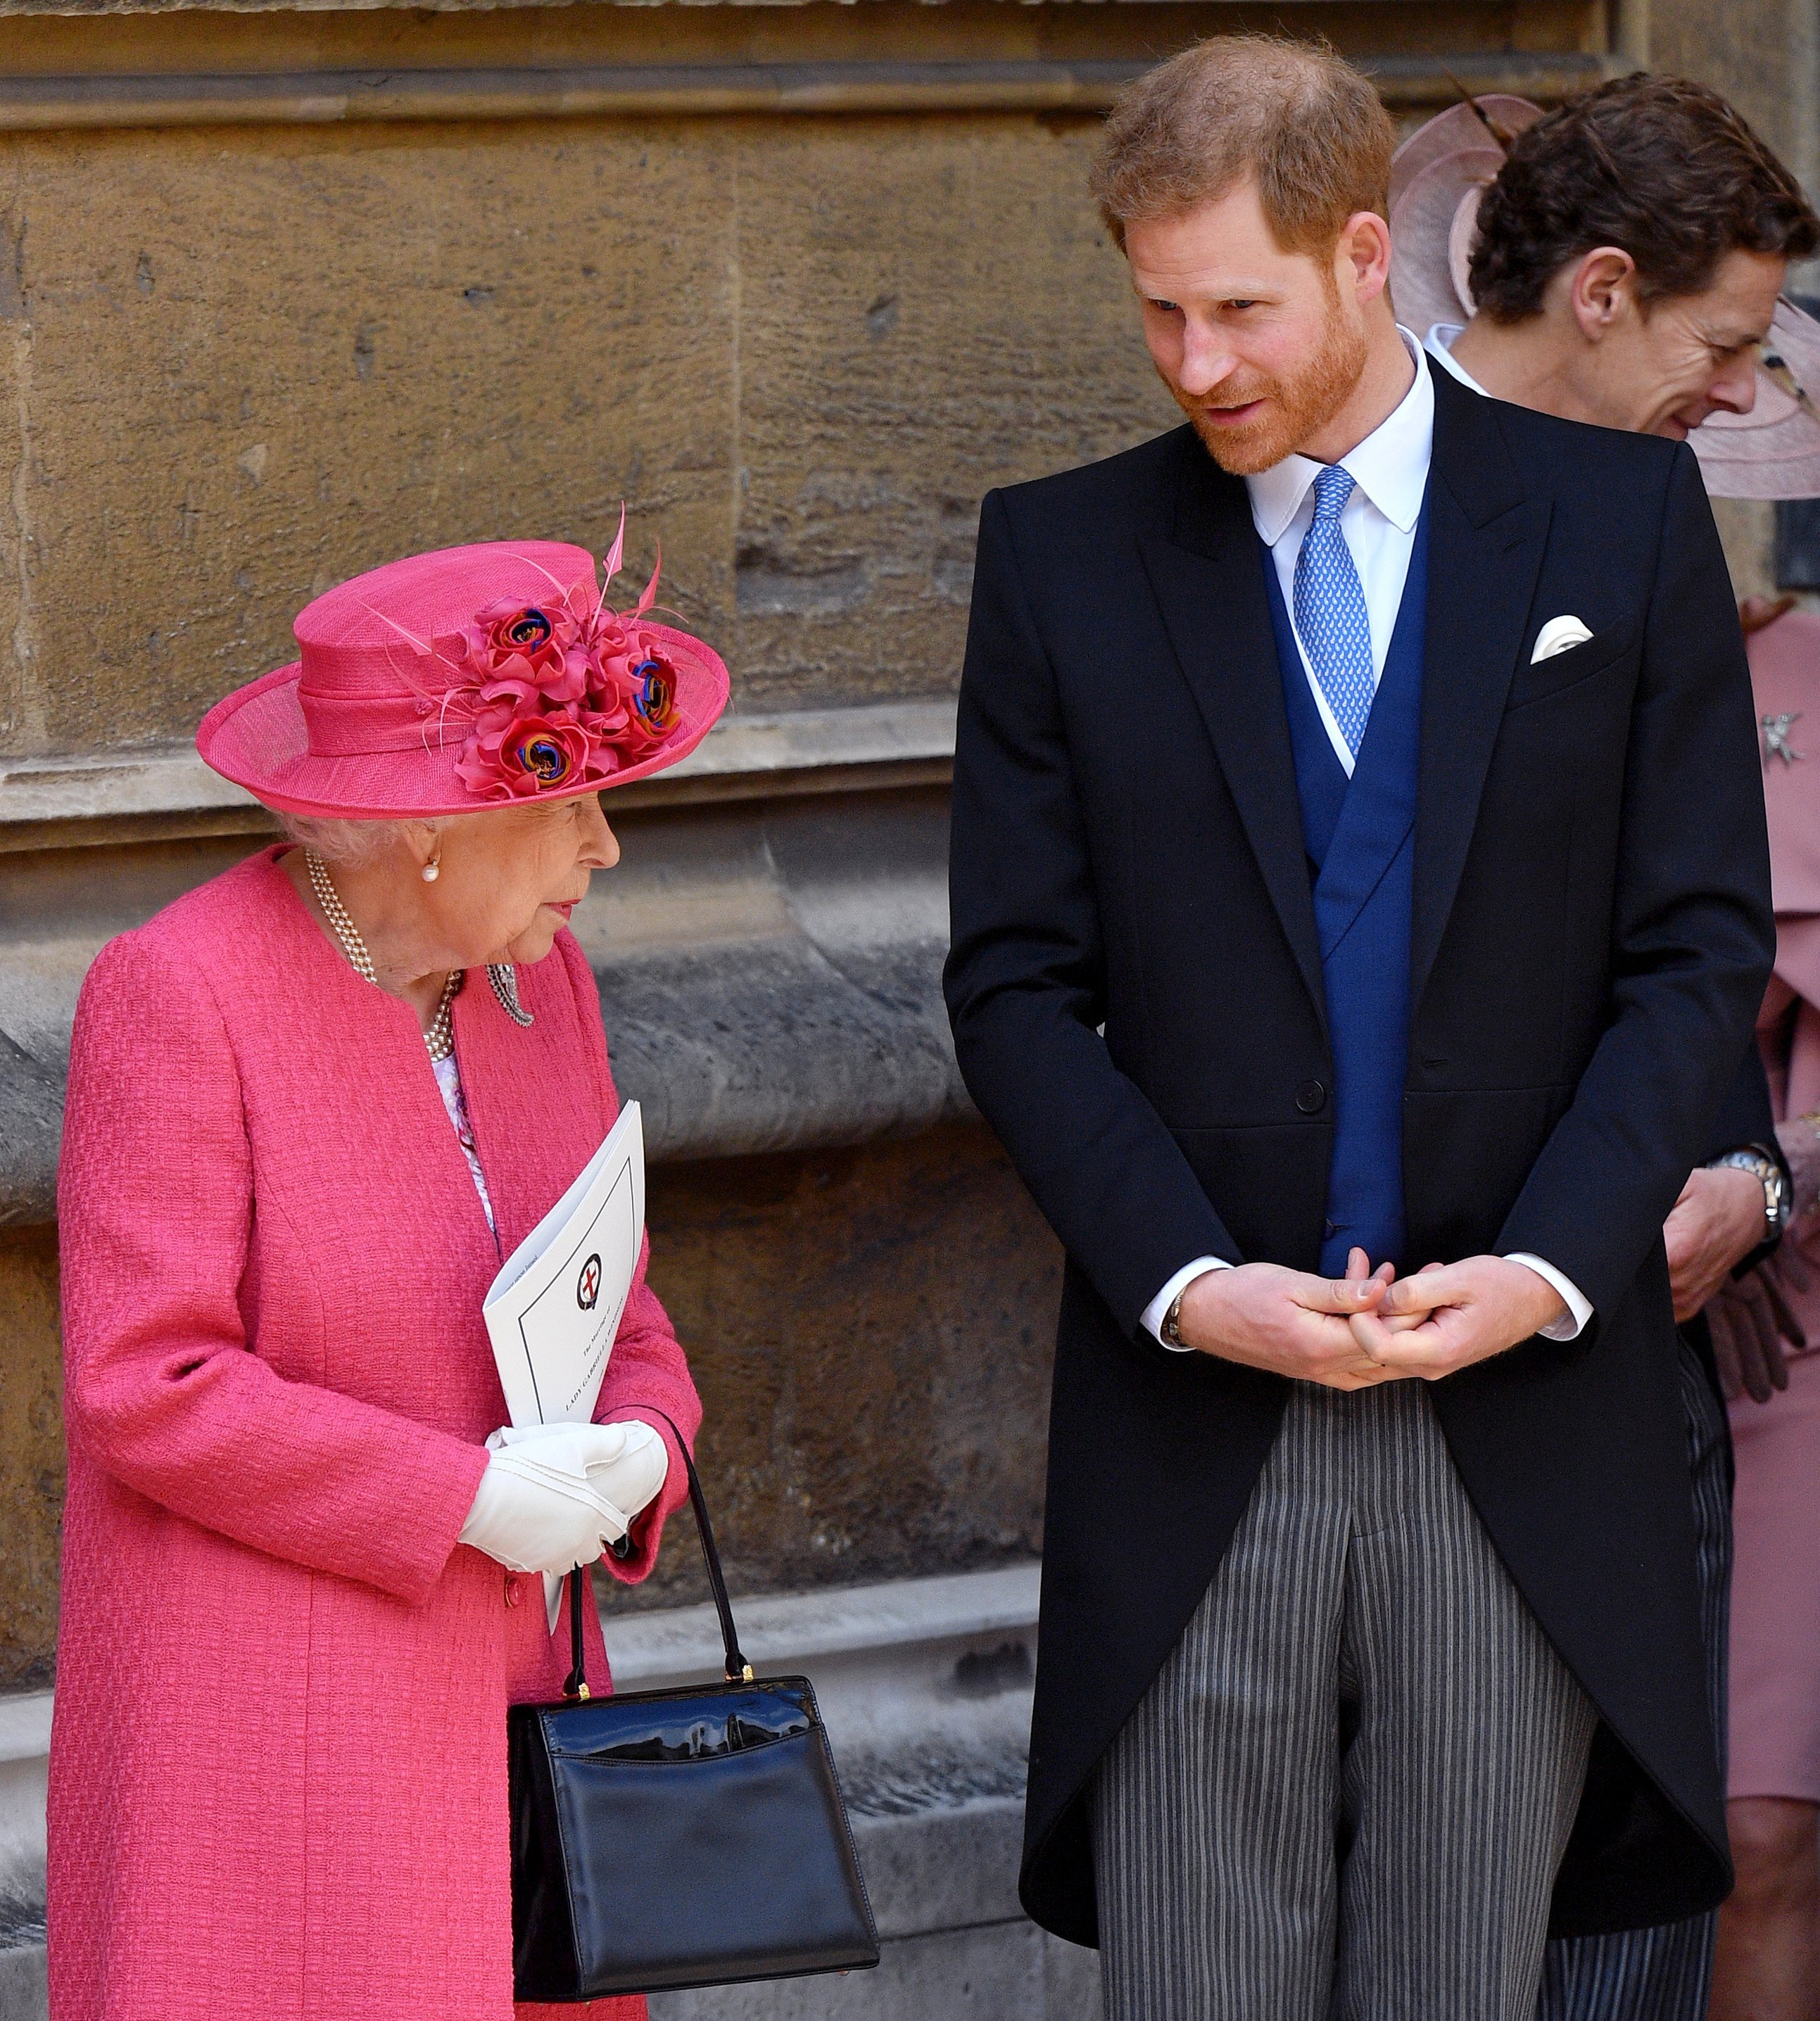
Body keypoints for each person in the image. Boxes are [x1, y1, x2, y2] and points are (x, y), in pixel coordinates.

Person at [942, 35, 1776, 2020]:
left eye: (1234, 306)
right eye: (1155, 308)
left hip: (1518, 1418)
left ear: (1352, 256)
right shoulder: (1063, 560)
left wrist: (1555, 1273)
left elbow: (1691, 953)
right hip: (1196, 1415)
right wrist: (1181, 1284)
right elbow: (1012, 987)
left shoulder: (1616, 530)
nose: (1193, 360)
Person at [49, 536, 727, 2020]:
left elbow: (622, 1297)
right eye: (571, 805)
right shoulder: (179, 994)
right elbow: (141, 1383)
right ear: (429, 827)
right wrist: (459, 1496)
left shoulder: (541, 981)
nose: (604, 850)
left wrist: (643, 1440)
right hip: (280, 1751)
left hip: (526, 1732)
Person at [1387, 75, 1820, 2021]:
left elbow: (1696, 944)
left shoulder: (1669, 546)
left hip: (1692, 1328)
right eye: (1721, 347)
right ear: (1602, 291)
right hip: (1394, 1321)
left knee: (1669, 1876)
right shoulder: (1342, 519)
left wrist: (1752, 1180)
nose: (1743, 399)